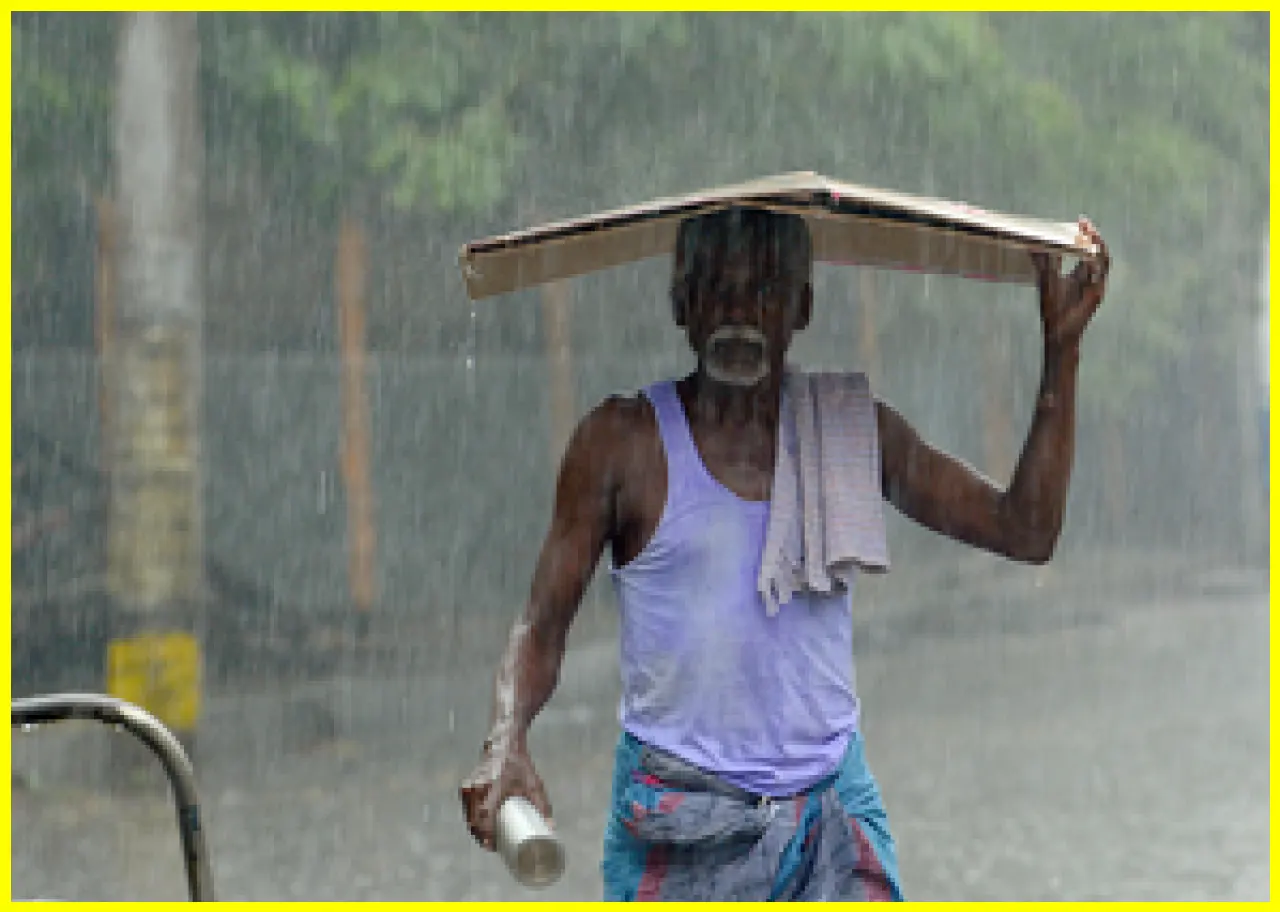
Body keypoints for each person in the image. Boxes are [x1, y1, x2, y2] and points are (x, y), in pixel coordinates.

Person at [460, 206, 1110, 901]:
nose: (739, 311)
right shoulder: (621, 443)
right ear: (681, 304)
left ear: (801, 308)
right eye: (717, 288)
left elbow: (1026, 531)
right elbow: (541, 625)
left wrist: (1062, 352)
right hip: (680, 816)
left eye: (765, 289)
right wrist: (507, 739)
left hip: (832, 814)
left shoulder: (852, 431)